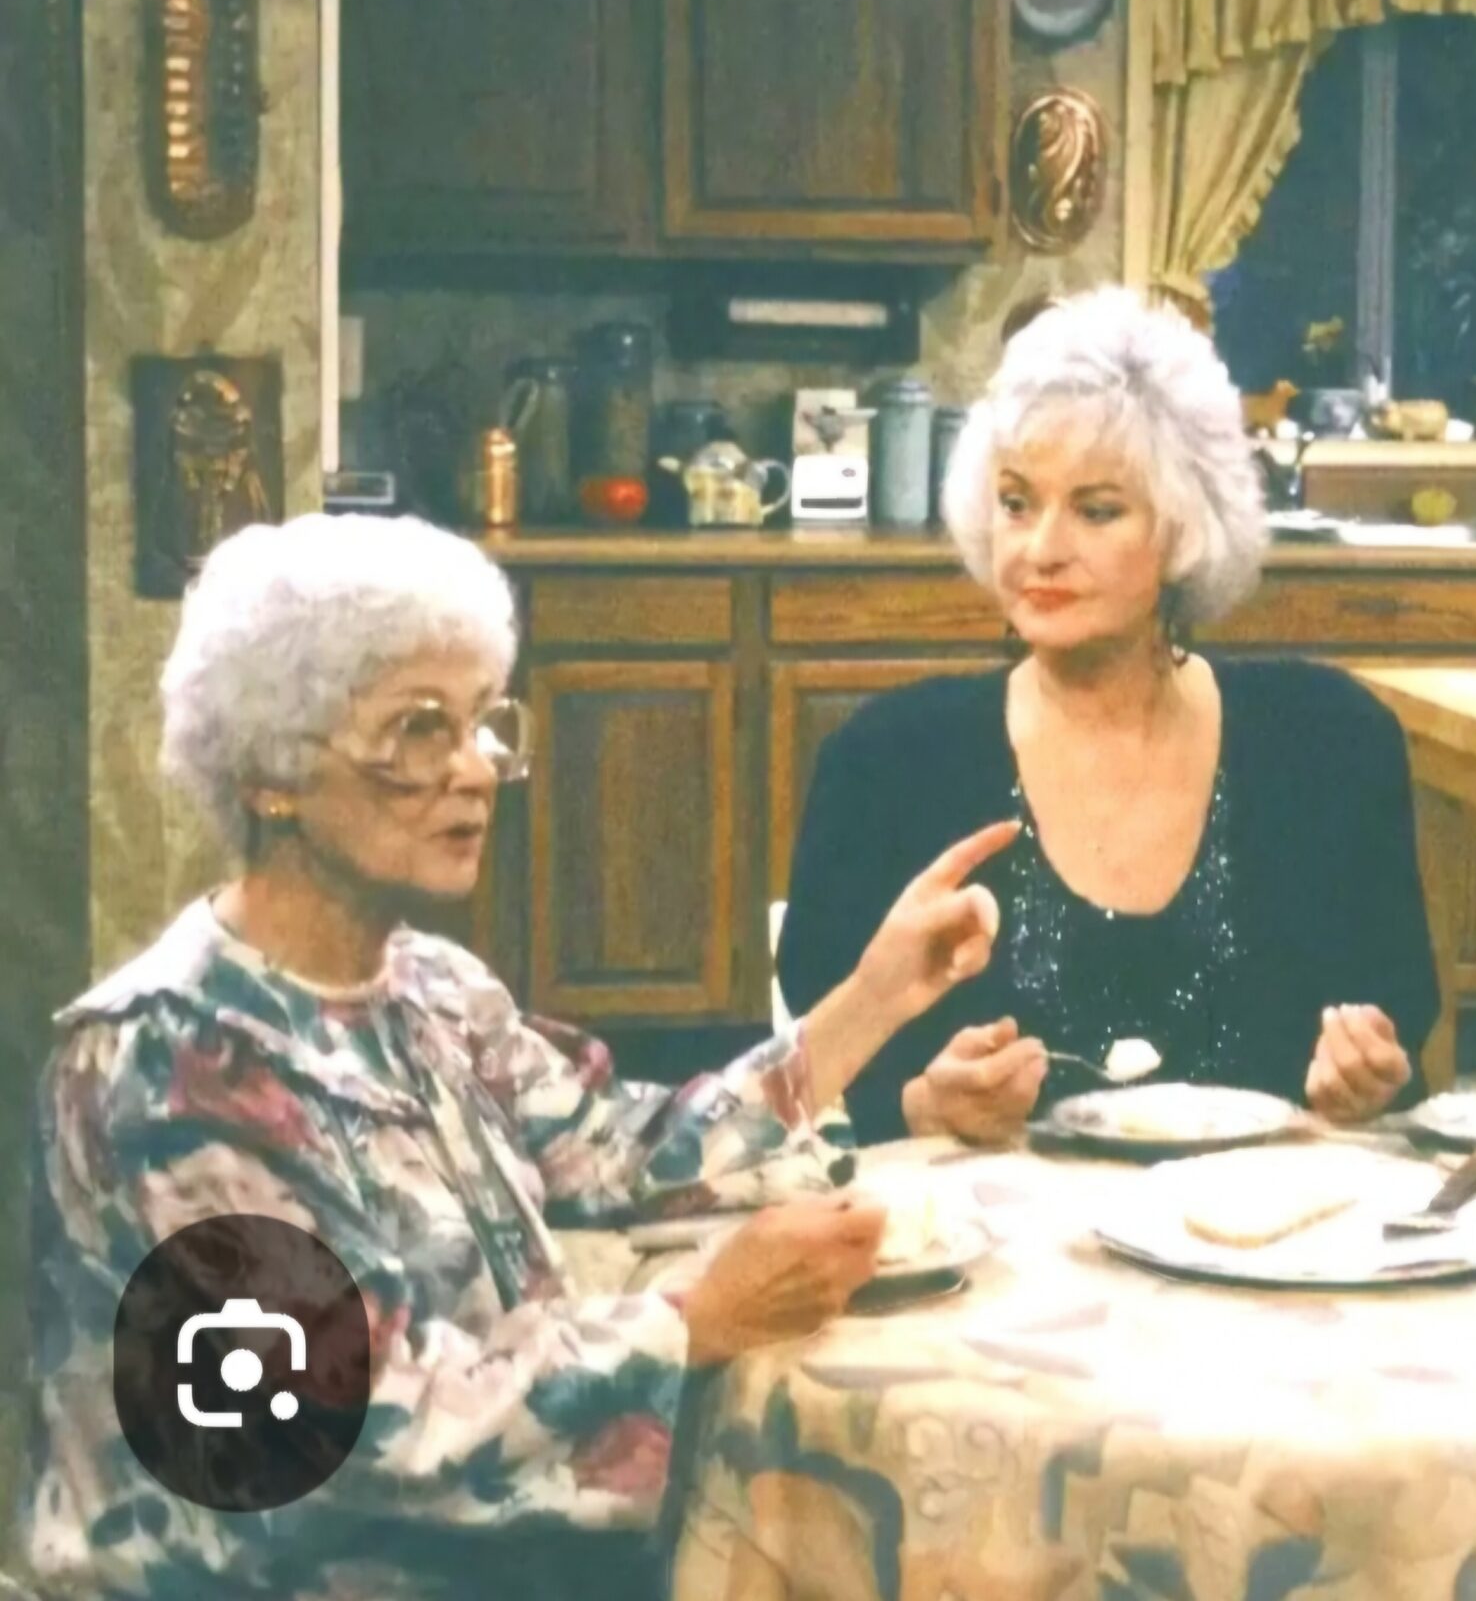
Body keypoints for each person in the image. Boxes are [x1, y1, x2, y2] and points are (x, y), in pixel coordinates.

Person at [28, 514, 1019, 1599]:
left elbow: (627, 1150)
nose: (477, 770)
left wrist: (877, 995)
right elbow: (331, 1424)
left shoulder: (433, 989)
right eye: (419, 730)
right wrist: (691, 1321)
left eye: (483, 724)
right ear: (272, 768)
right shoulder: (165, 1061)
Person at [778, 288, 1437, 1144]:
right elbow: (815, 1095)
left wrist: (1367, 1079)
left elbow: (1401, 1042)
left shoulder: (1328, 746)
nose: (1040, 548)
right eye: (1016, 502)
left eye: (1096, 511)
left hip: (1270, 1220)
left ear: (1184, 528)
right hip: (982, 1226)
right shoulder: (888, 765)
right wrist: (921, 1107)